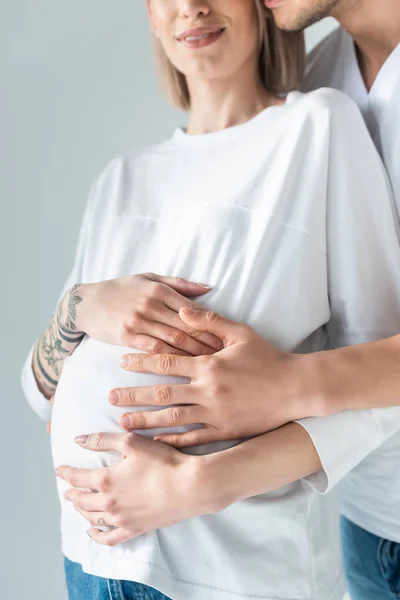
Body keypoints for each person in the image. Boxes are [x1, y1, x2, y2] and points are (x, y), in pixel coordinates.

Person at [21, 1, 400, 599]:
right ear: (150, 17)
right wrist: (80, 306)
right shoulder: (121, 178)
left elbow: (378, 395)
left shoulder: (320, 126)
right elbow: (38, 392)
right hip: (94, 556)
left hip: (227, 569)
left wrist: (203, 482)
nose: (193, 7)